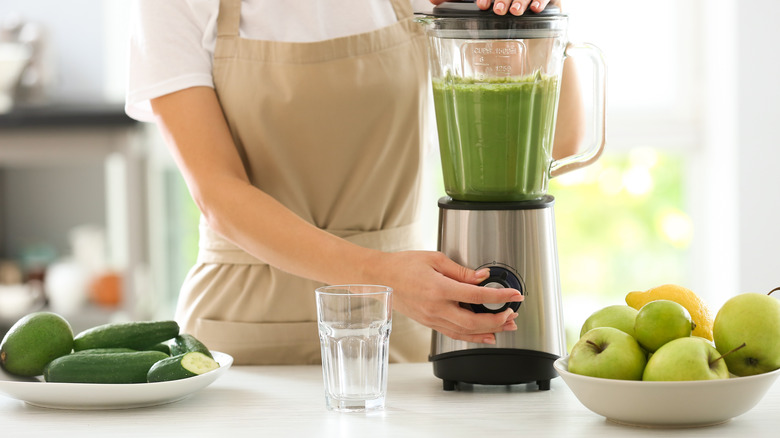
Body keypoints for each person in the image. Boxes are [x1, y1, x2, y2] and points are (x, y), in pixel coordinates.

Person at [126, 0, 578, 365]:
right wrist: (381, 278)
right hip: (244, 336)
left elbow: (559, 143)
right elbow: (218, 193)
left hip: (396, 325)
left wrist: (541, 24)